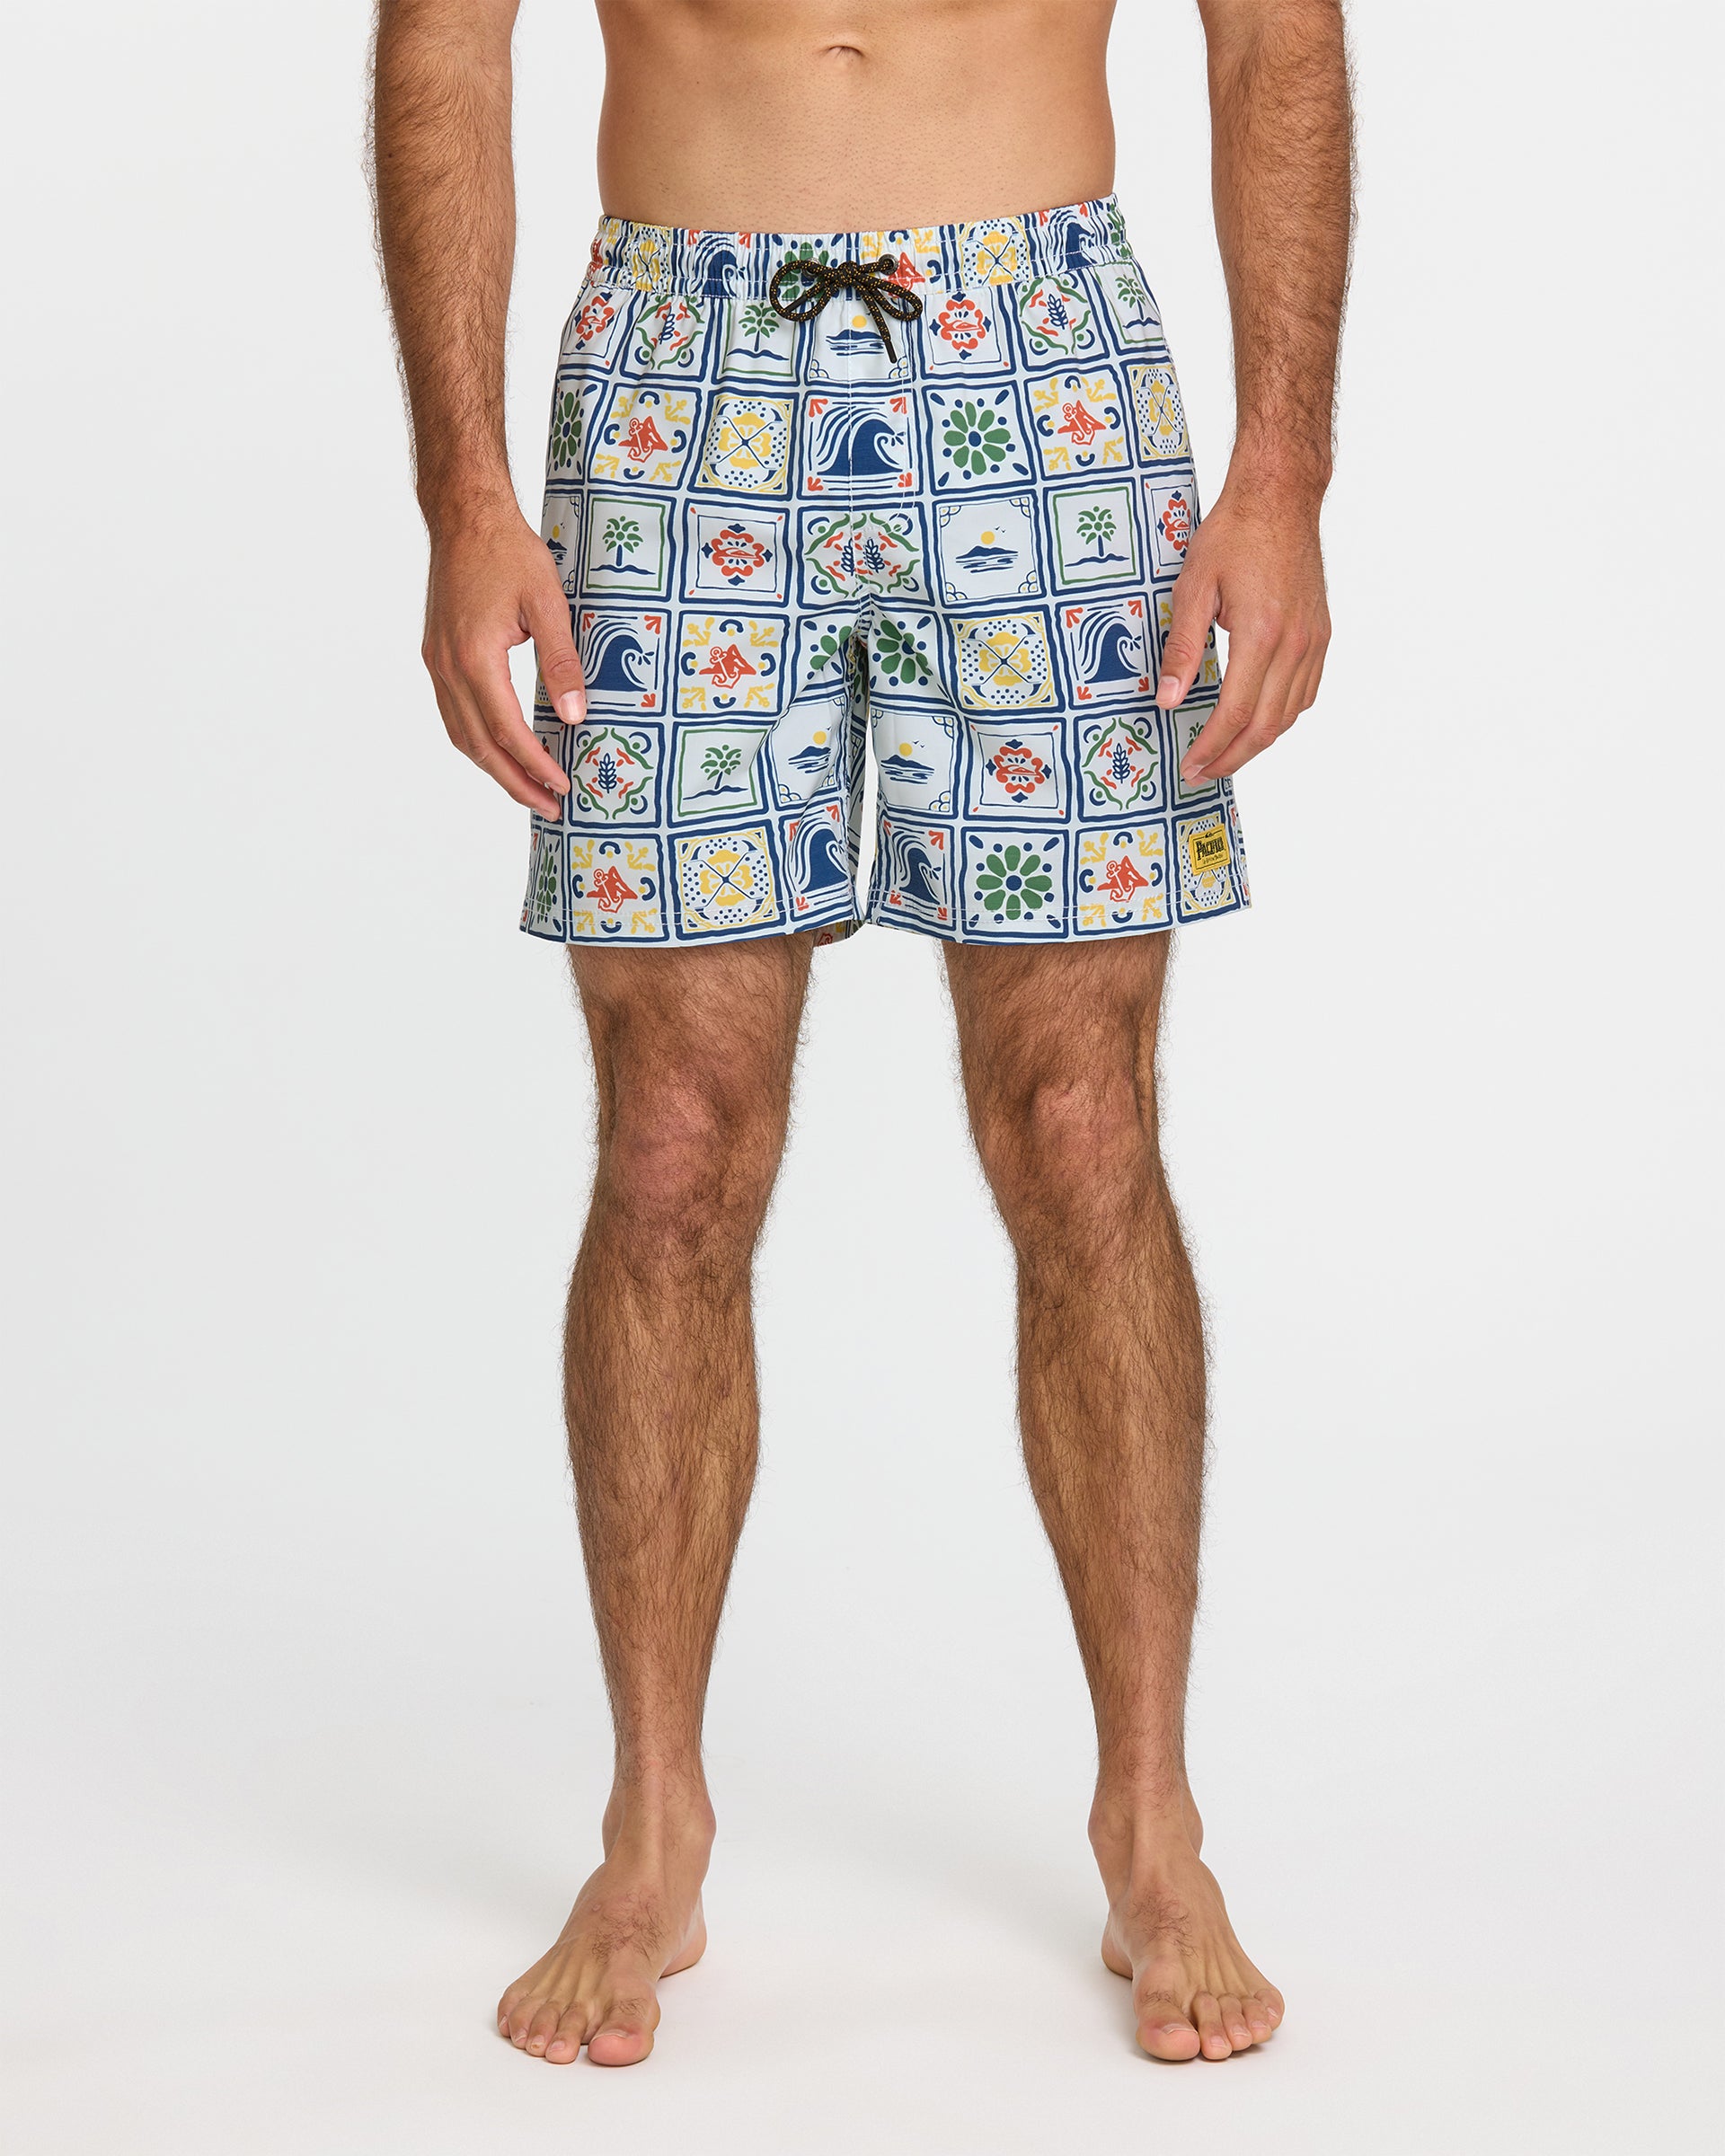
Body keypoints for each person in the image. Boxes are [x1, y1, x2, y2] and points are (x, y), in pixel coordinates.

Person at [372, 0, 1350, 2068]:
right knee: (672, 1139)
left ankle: (1153, 1823)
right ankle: (651, 1828)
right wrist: (463, 492)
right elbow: (446, 38)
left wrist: (1283, 471)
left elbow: (1275, 37)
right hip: (679, 375)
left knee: (1082, 1126)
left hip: (1041, 359)